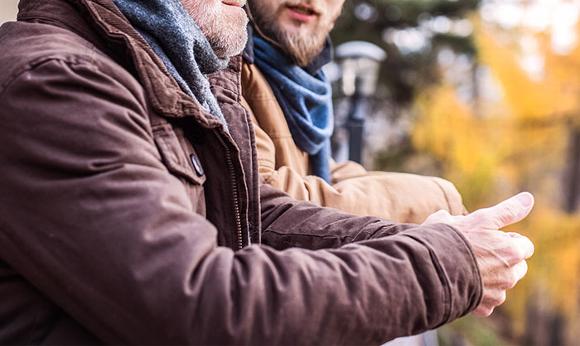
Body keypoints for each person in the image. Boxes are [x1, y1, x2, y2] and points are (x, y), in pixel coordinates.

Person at [0, 0, 533, 345]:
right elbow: (203, 307)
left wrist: (432, 239)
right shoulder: (55, 82)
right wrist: (440, 266)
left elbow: (259, 212)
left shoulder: (173, 76)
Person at [242, 0, 466, 223]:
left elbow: (324, 176)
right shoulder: (228, 70)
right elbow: (260, 194)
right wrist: (440, 198)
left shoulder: (305, 82)